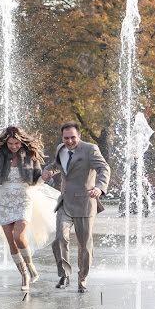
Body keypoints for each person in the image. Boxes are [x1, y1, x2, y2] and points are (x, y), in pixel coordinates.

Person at [0, 126, 59, 298]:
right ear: (6, 142)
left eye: (16, 143)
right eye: (10, 143)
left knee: (18, 236)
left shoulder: (29, 155)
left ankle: (30, 265)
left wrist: (44, 178)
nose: (14, 146)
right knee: (10, 241)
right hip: (4, 198)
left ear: (21, 141)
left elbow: (36, 180)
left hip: (24, 197)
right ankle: (24, 276)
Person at [41, 122, 111, 294]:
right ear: (62, 137)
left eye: (73, 137)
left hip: (85, 203)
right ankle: (64, 274)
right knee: (59, 239)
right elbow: (57, 165)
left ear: (78, 136)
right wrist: (48, 171)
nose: (70, 141)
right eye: (66, 138)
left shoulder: (90, 149)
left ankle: (83, 279)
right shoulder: (60, 148)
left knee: (84, 245)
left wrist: (99, 188)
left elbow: (104, 168)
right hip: (65, 201)